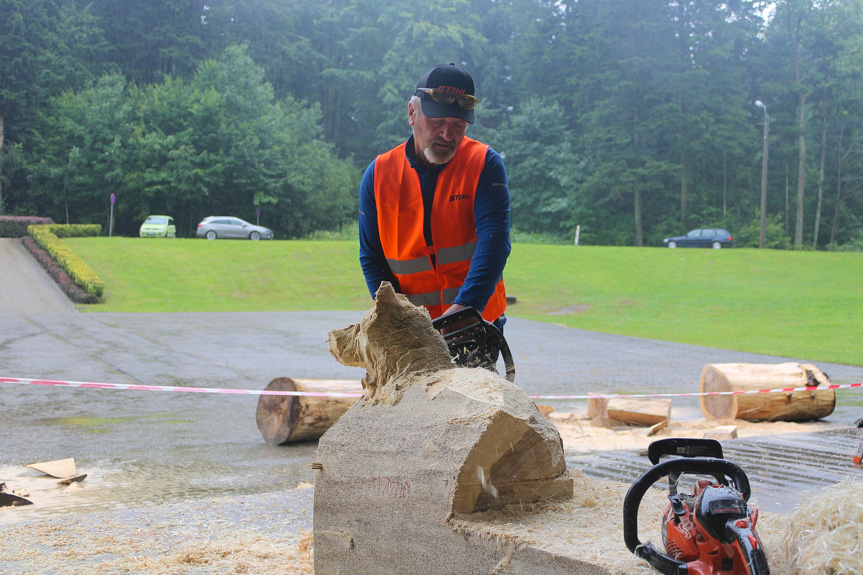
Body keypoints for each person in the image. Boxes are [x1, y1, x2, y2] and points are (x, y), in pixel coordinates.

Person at [358, 63, 511, 330]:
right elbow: (372, 257)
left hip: (475, 322)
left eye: (458, 124)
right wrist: (395, 316)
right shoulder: (378, 175)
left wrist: (465, 309)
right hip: (412, 328)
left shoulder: (484, 164)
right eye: (437, 121)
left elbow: (495, 242)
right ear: (411, 113)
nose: (447, 134)